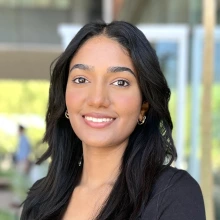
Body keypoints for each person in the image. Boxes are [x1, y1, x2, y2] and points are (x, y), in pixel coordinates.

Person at [21, 21, 206, 220]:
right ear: (65, 98)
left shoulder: (173, 195)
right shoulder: (40, 200)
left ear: (144, 105)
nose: (97, 99)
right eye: (81, 80)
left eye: (120, 82)